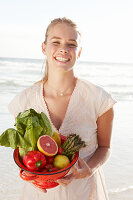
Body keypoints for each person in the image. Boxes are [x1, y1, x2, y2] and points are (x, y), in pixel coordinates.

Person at [8, 17, 116, 200]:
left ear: (79, 52)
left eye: (71, 44)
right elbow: (24, 153)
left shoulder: (99, 99)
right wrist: (29, 176)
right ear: (44, 48)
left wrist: (90, 169)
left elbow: (105, 148)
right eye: (56, 42)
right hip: (39, 195)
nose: (63, 49)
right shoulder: (24, 101)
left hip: (85, 193)